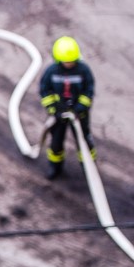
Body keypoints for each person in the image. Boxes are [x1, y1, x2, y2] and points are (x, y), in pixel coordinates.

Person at [39, 36, 96, 180]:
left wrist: (79, 109)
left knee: (84, 142)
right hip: (59, 115)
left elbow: (88, 91)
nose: (69, 63)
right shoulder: (52, 72)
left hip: (79, 115)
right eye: (66, 61)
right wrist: (54, 110)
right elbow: (45, 91)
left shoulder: (83, 70)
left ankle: (89, 168)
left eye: (71, 61)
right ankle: (55, 167)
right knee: (56, 143)